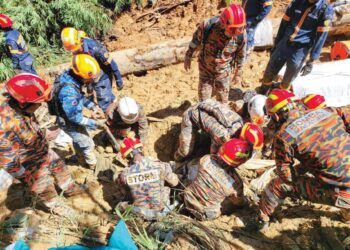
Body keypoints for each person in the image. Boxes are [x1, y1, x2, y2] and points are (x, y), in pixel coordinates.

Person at [257, 89, 350, 229]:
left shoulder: (284, 136)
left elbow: (286, 176)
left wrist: (300, 169)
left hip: (344, 193)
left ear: (276, 116)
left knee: (277, 185)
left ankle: (262, 220)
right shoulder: (330, 111)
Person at [0, 73, 84, 216]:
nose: (39, 105)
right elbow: (8, 161)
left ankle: (70, 188)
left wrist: (45, 133)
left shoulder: (23, 109)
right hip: (28, 164)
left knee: (60, 166)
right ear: (22, 102)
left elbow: (28, 130)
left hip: (41, 151)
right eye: (37, 103)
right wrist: (27, 177)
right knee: (44, 186)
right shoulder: (6, 126)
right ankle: (55, 206)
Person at [258, 0, 334, 94]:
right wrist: (277, 44)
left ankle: (280, 95)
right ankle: (264, 90)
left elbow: (321, 37)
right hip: (284, 43)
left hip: (300, 50)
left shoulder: (325, 10)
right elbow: (284, 24)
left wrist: (311, 60)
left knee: (288, 78)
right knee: (270, 69)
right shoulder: (297, 2)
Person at [184, 4, 247, 103]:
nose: (236, 32)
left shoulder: (241, 35)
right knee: (204, 103)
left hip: (223, 73)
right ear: (223, 23)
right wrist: (188, 56)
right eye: (232, 29)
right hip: (205, 70)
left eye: (239, 28)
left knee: (222, 103)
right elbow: (195, 40)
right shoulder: (207, 26)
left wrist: (238, 74)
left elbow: (241, 55)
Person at [52, 54, 106, 169]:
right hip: (67, 121)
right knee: (88, 143)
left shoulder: (71, 78)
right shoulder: (69, 91)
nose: (91, 80)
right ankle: (92, 166)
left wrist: (93, 107)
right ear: (82, 76)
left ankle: (80, 159)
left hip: (70, 116)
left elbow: (80, 97)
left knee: (80, 139)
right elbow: (74, 117)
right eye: (90, 78)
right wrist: (94, 123)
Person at [183, 138, 256, 220]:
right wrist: (244, 201)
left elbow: (193, 168)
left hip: (187, 197)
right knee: (231, 202)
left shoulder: (207, 159)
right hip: (204, 214)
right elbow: (238, 202)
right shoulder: (236, 183)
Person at [61, 27, 123, 112]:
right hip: (90, 74)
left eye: (76, 49)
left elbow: (111, 63)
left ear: (81, 41)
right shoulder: (74, 46)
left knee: (103, 100)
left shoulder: (95, 49)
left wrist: (118, 80)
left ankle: (109, 115)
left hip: (102, 75)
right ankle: (113, 100)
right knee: (104, 93)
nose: (74, 52)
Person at [117, 137, 179, 220]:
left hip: (141, 213)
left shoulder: (124, 174)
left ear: (127, 157)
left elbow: (123, 191)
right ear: (141, 149)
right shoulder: (161, 166)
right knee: (167, 186)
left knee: (123, 201)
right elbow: (175, 183)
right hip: (162, 211)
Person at [174, 99, 244, 162]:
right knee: (185, 152)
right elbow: (213, 156)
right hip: (190, 117)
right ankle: (175, 160)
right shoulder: (222, 136)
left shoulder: (240, 122)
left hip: (208, 104)